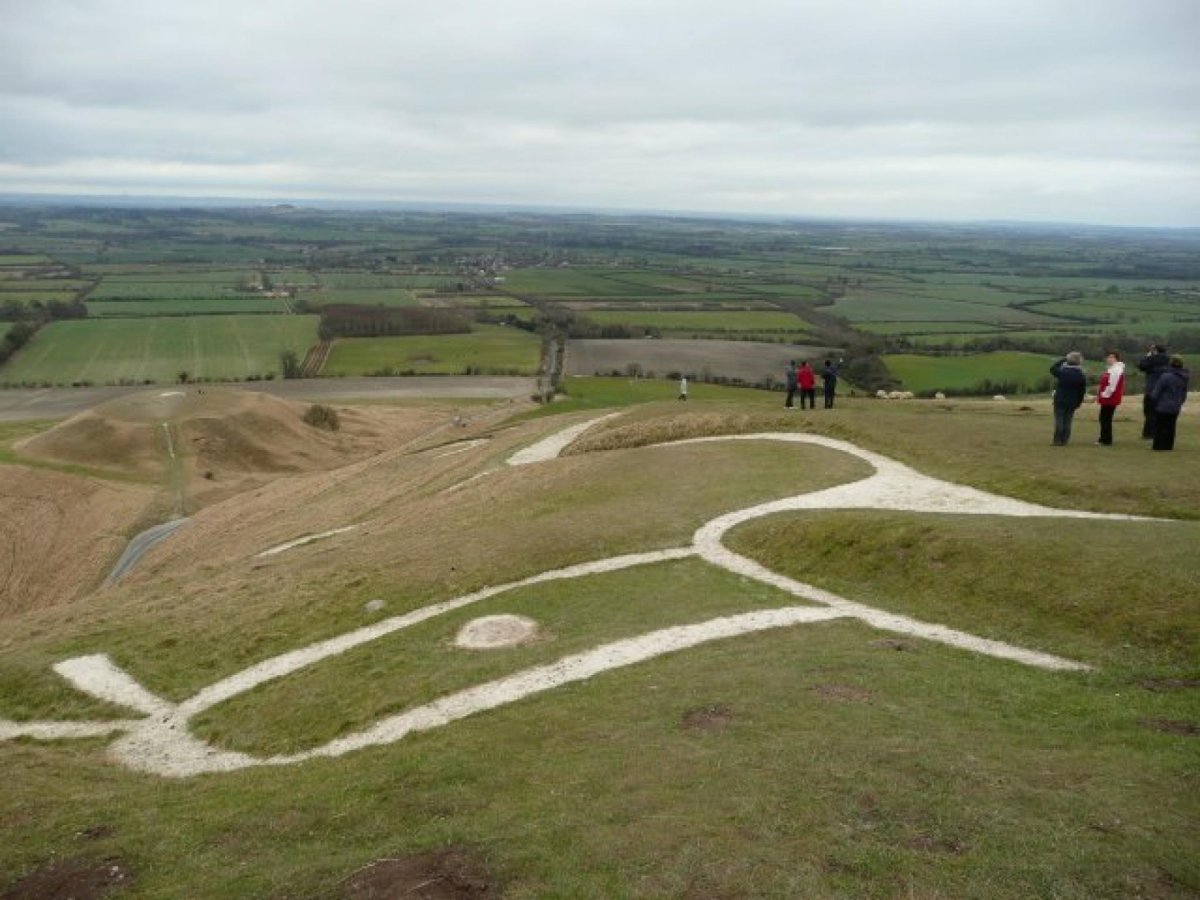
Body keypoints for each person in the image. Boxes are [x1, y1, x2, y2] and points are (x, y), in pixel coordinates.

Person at [1149, 356, 1188, 451]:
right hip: (1175, 405)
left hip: (1163, 405)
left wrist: (1153, 401)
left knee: (1160, 426)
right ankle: (1168, 445)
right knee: (1171, 426)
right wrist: (1180, 402)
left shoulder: (1165, 376)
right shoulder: (1184, 377)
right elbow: (1184, 393)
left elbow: (1156, 392)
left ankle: (1158, 446)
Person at [1049, 351, 1086, 445]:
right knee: (1068, 421)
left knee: (1059, 420)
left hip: (1060, 399)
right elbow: (1081, 391)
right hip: (1073, 401)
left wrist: (1063, 359)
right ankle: (1065, 440)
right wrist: (1079, 402)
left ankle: (1057, 440)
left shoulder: (1063, 372)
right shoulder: (1081, 375)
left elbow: (1052, 368)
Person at [1137, 343, 1170, 439]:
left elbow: (1141, 366)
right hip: (1163, 390)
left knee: (1149, 412)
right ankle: (1159, 431)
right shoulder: (1168, 360)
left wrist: (1147, 356)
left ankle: (1149, 433)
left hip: (1151, 389)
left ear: (1155, 351)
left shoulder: (1151, 359)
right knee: (1160, 412)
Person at [1096, 350, 1125, 446]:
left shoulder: (1116, 369)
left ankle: (1106, 440)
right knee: (1104, 418)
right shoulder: (1112, 368)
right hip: (1107, 396)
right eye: (1108, 357)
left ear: (1117, 359)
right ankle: (1104, 438)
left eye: (1112, 357)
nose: (1109, 359)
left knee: (1105, 418)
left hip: (1110, 397)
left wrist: (1104, 394)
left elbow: (1112, 385)